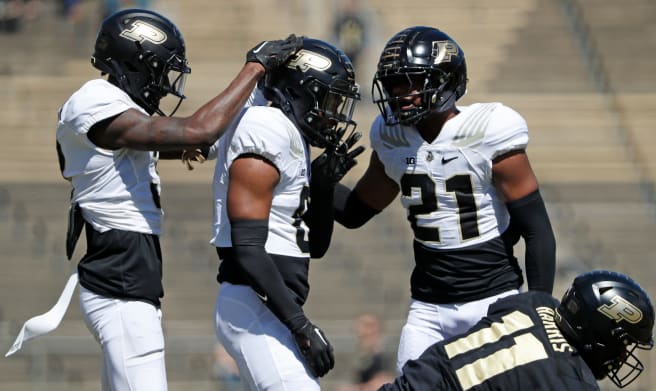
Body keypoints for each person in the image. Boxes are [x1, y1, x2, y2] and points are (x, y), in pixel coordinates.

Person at [54, 8, 302, 391]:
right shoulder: (94, 98)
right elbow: (197, 132)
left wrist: (260, 100)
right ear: (133, 64)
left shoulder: (115, 117)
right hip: (120, 289)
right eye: (157, 70)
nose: (163, 83)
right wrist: (253, 69)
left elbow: (204, 142)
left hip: (126, 286)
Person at [328, 26, 557, 373]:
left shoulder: (488, 130)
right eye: (393, 84)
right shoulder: (391, 138)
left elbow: (537, 228)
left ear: (447, 82)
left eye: (411, 82)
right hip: (429, 307)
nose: (400, 94)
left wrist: (540, 306)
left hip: (493, 301)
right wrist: (314, 177)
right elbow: (354, 212)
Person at [211, 37, 365, 390]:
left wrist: (323, 188)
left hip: (269, 306)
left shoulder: (290, 136)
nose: (333, 114)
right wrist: (302, 326)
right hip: (254, 304)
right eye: (328, 100)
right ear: (298, 93)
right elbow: (247, 248)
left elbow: (316, 246)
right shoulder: (267, 127)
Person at [378, 269, 655, 390]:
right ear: (600, 332)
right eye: (624, 343)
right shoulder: (570, 381)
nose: (622, 355)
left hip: (414, 380)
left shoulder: (536, 304)